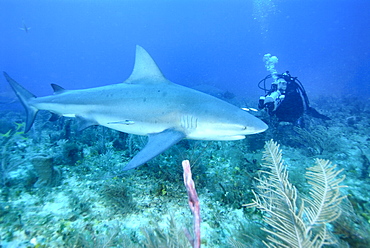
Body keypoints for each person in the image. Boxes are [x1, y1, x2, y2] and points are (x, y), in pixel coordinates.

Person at [258, 71, 330, 127]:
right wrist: (264, 105)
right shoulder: (273, 93)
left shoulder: (294, 94)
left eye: (284, 84)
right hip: (277, 117)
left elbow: (302, 109)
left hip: (292, 117)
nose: (281, 86)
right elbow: (265, 107)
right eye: (279, 84)